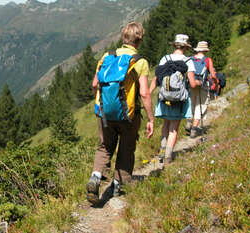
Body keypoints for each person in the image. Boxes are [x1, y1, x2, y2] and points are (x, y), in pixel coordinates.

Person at [86, 22, 154, 205]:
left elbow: (94, 84)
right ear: (139, 40)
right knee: (126, 148)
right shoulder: (140, 61)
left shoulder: (106, 57)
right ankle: (117, 185)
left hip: (104, 114)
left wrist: (101, 104)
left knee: (104, 147)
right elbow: (145, 93)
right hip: (128, 116)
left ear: (123, 38)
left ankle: (95, 176)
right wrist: (151, 118)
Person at [150, 34, 199, 165]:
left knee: (166, 123)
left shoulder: (165, 58)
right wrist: (199, 83)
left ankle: (162, 149)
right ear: (185, 47)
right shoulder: (188, 61)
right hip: (178, 99)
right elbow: (193, 84)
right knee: (174, 128)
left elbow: (156, 79)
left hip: (164, 97)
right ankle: (168, 156)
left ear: (175, 45)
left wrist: (148, 93)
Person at [185, 41, 218, 138]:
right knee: (201, 106)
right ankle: (194, 129)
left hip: (191, 84)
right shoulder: (207, 60)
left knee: (192, 103)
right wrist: (215, 83)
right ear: (205, 50)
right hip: (202, 86)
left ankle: (189, 121)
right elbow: (212, 75)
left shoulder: (190, 59)